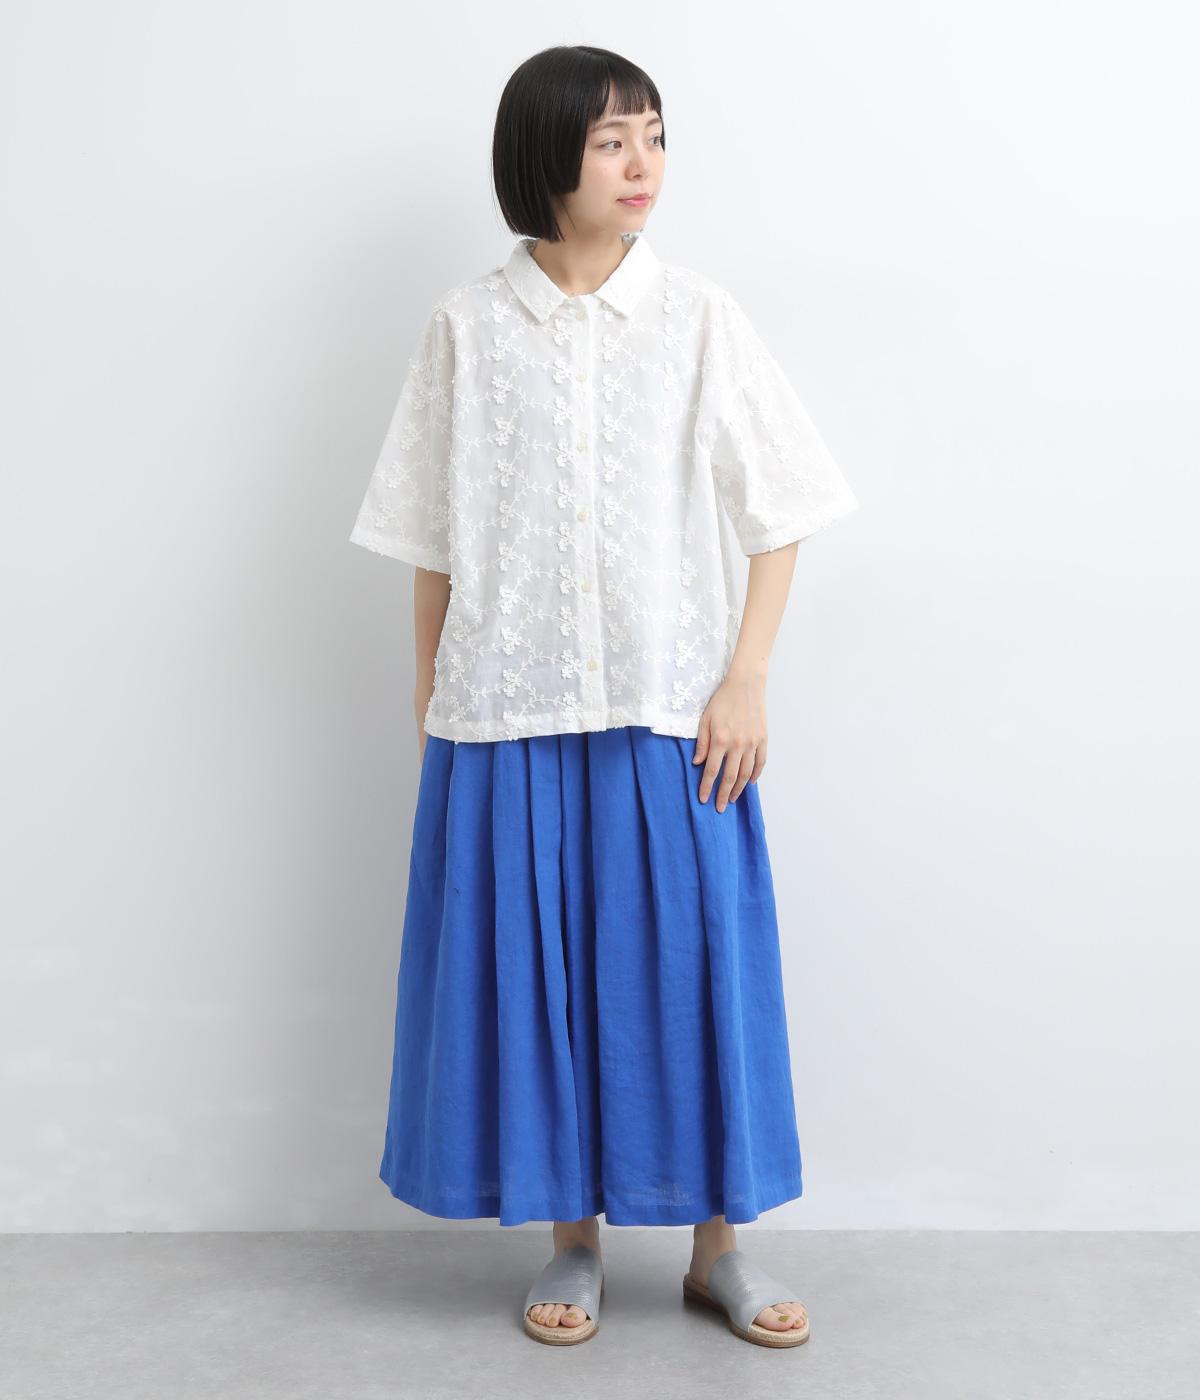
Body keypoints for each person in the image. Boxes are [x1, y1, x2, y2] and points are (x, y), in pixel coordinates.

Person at [349, 44, 860, 1349]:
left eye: (656, 135)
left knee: (691, 971)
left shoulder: (698, 318)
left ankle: (716, 1250)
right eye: (612, 140)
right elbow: (430, 539)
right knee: (542, 984)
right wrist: (432, 701)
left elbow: (783, 507)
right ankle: (572, 1241)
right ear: (547, 156)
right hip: (504, 711)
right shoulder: (467, 327)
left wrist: (745, 681)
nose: (643, 165)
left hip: (668, 708)